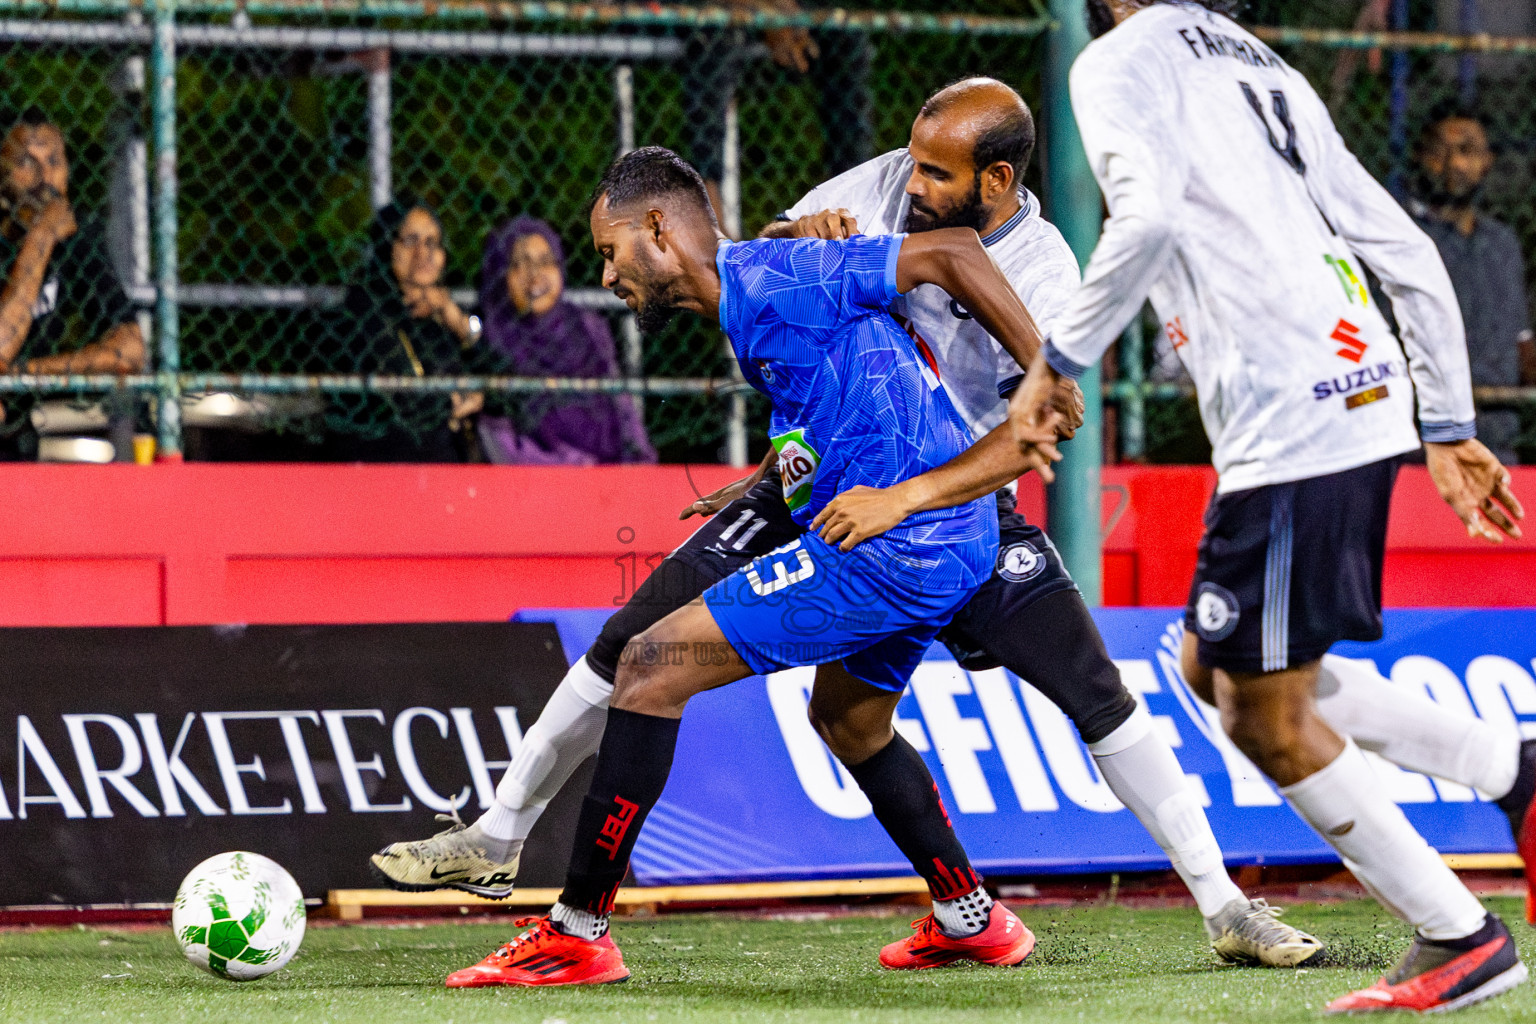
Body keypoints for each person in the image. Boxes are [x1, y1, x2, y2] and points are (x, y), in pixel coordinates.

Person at [371, 80, 1322, 969]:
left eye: (937, 173)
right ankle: (499, 838)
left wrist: (1028, 388)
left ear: (996, 181)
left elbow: (1013, 415)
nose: (909, 181)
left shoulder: (1044, 273)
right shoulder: (879, 194)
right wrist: (801, 251)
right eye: (909, 159)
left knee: (1088, 689)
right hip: (832, 485)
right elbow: (763, 261)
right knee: (793, 697)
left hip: (942, 502)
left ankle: (1225, 905)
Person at [437, 144, 1088, 986]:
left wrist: (1043, 374)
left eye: (609, 250)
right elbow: (843, 392)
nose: (606, 275)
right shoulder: (750, 310)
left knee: (649, 665)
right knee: (850, 722)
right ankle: (971, 917)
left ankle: (576, 930)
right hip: (949, 539)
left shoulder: (778, 275)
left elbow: (957, 254)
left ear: (660, 229)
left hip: (896, 546)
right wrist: (769, 479)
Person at [1005, 0, 1528, 1013]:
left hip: (1294, 415)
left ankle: (1457, 933)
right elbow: (1405, 249)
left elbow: (1146, 220)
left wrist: (1056, 359)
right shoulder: (1263, 65)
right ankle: (1512, 767)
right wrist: (1449, 420)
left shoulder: (1119, 60)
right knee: (1217, 664)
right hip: (1357, 394)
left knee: (1261, 709)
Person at [0, 107, 146, 457]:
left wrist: (25, 374)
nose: (43, 178)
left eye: (54, 161)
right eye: (25, 163)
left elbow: (130, 348)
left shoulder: (76, 241)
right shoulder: (41, 234)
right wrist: (40, 237)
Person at [321, 199, 493, 462]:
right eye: (410, 240)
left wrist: (455, 317)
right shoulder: (364, 306)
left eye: (432, 243)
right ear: (386, 246)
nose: (423, 254)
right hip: (382, 462)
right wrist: (459, 400)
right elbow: (404, 397)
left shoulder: (439, 310)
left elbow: (500, 371)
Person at [475, 216, 656, 465]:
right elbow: (503, 444)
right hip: (541, 481)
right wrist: (576, 466)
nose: (535, 274)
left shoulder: (584, 326)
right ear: (500, 273)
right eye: (520, 263)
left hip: (610, 472)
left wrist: (638, 458)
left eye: (545, 261)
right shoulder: (492, 339)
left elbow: (620, 405)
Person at [679, 0, 872, 228]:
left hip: (773, 9)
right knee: (715, 31)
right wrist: (773, 12)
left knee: (845, 34)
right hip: (687, 10)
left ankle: (848, 201)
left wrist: (786, 14)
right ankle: (705, 202)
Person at [1411, 108, 1534, 464]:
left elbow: (1521, 343)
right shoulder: (1404, 239)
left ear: (1487, 161)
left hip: (1499, 441)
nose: (1454, 163)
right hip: (1427, 445)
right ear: (1423, 158)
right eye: (1441, 151)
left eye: (1467, 150)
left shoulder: (1503, 243)